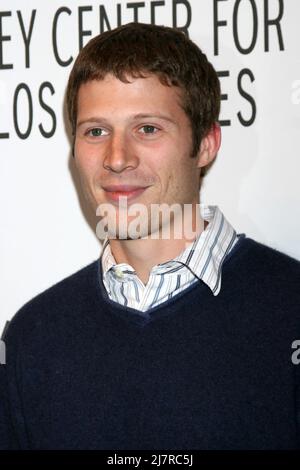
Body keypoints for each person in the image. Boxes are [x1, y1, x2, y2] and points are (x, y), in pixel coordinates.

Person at [0, 22, 299, 450]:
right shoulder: (32, 339)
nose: (117, 159)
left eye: (148, 129)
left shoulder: (290, 310)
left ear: (207, 143)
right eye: (96, 131)